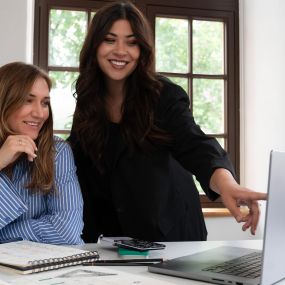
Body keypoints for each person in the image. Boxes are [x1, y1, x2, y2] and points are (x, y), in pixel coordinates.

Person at [68, 1, 267, 242]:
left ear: (142, 50)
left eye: (132, 42)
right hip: (116, 235)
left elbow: (196, 145)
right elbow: (77, 153)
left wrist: (227, 184)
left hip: (172, 230)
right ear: (94, 45)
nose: (120, 50)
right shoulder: (89, 96)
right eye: (110, 40)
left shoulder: (163, 94)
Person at [0, 62, 83, 245]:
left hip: (51, 268)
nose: (39, 113)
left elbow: (66, 231)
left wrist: (3, 236)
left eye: (44, 103)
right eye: (27, 100)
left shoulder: (57, 151)